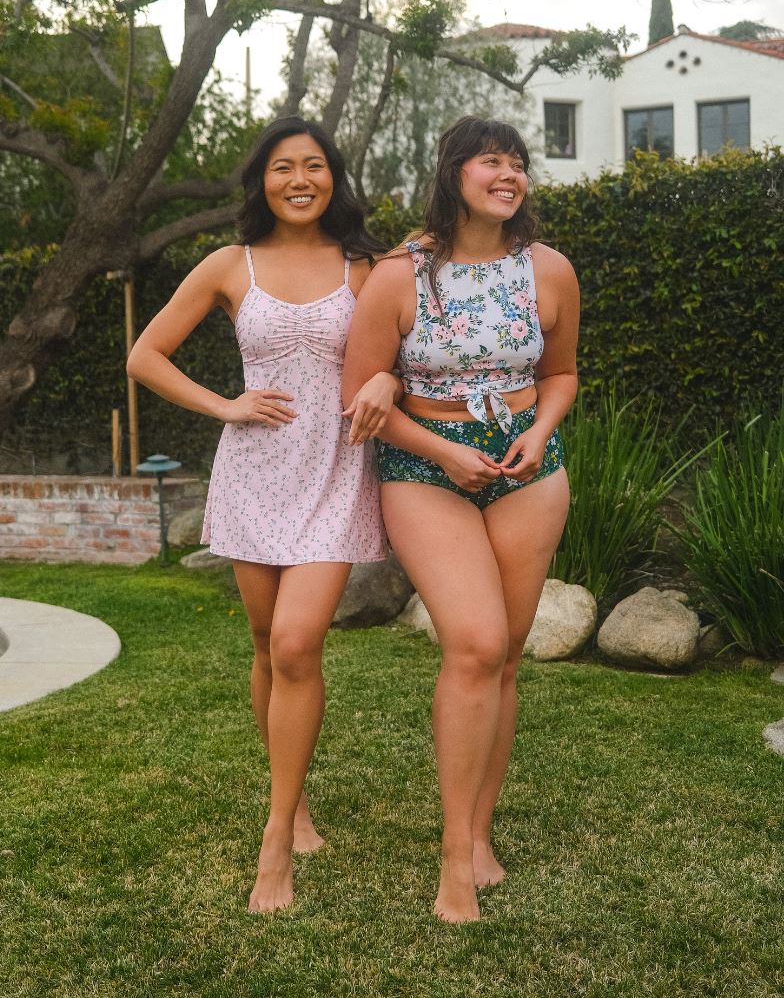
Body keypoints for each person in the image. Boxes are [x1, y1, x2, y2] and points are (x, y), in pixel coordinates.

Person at [127, 116, 399, 913]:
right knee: (264, 645)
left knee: (295, 640)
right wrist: (227, 406)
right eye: (284, 167)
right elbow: (144, 355)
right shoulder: (228, 264)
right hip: (253, 473)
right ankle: (298, 798)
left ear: (335, 178)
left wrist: (385, 385)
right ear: (262, 181)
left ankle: (275, 836)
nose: (300, 179)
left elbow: (409, 350)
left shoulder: (368, 266)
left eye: (315, 166)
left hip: (335, 472)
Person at [342, 116, 579, 923]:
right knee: (473, 644)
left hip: (527, 471)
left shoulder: (549, 270)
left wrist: (540, 432)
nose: (508, 174)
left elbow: (564, 372)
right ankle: (452, 859)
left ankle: (480, 835)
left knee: (506, 656)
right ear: (455, 173)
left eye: (518, 164)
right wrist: (442, 452)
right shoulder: (397, 275)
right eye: (492, 160)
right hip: (424, 467)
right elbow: (360, 390)